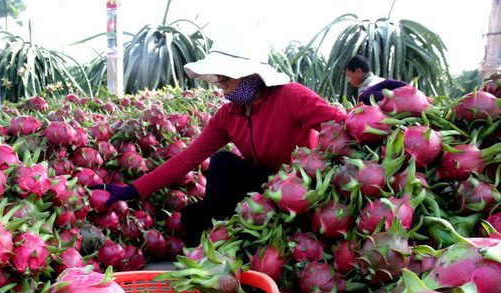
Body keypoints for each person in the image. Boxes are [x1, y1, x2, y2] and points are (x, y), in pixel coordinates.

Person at [97, 28, 346, 247]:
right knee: (198, 206)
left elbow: (342, 125)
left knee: (223, 164)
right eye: (218, 77)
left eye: (226, 76)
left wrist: (375, 104)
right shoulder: (228, 115)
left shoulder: (291, 96)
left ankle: (240, 236)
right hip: (263, 189)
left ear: (253, 74)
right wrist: (132, 189)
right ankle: (219, 245)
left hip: (299, 192)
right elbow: (186, 159)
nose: (220, 84)